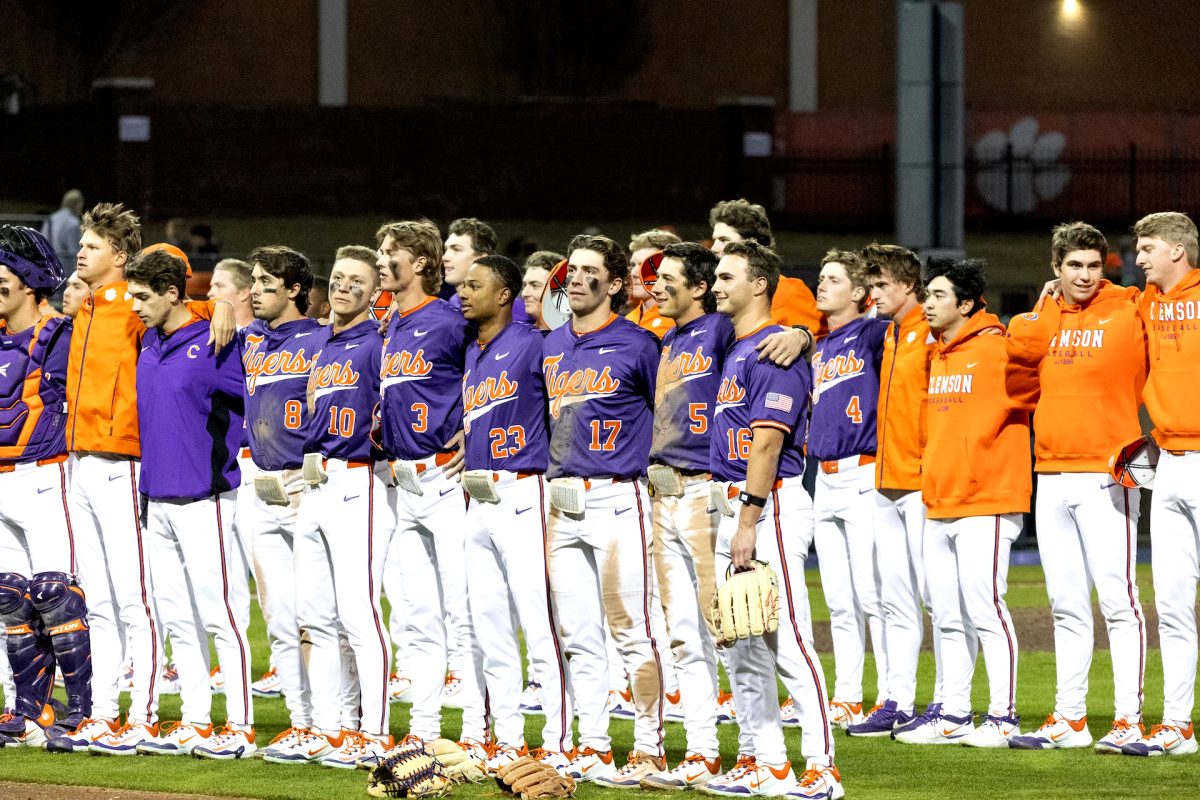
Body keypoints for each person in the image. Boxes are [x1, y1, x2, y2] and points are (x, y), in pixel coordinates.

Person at [49, 203, 234, 754]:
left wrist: (219, 303)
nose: (80, 252)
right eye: (81, 244)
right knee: (99, 600)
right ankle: (105, 713)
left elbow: (181, 290)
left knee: (136, 600)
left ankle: (143, 716)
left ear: (121, 257)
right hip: (80, 462)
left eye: (92, 246)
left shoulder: (134, 306)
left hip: (124, 464)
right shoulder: (85, 305)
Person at [1000, 223, 1149, 753]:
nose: (1085, 275)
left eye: (1093, 265)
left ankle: (1129, 719)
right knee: (1065, 602)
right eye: (1074, 266)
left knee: (1118, 600)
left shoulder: (1131, 307)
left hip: (1107, 471)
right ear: (1056, 268)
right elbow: (1017, 361)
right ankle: (1070, 717)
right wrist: (1044, 309)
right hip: (1051, 472)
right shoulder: (1042, 319)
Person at [703, 240, 842, 799]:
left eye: (727, 276)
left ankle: (820, 768)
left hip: (768, 504)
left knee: (787, 639)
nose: (716, 285)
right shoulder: (738, 348)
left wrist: (747, 520)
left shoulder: (774, 352)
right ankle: (767, 763)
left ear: (758, 284)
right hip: (737, 504)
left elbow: (766, 445)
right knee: (740, 641)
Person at [540, 234, 666, 786]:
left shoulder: (639, 344)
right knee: (577, 634)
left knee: (632, 630)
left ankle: (649, 747)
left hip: (619, 497)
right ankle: (592, 744)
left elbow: (666, 415)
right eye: (573, 268)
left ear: (615, 284)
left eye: (591, 270)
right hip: (561, 501)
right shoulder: (550, 344)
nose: (576, 276)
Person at [896, 257, 1033, 748]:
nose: (927, 303)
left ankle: (1004, 717)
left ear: (968, 303)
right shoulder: (939, 353)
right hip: (940, 499)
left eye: (937, 295)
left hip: (988, 499)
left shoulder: (999, 348)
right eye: (927, 295)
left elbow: (1043, 392)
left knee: (985, 608)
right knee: (948, 616)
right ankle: (954, 714)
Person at [122, 247, 252, 759]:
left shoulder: (218, 343)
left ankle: (239, 726)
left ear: (173, 293)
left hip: (207, 498)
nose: (134, 305)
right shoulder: (149, 342)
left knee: (219, 613)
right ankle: (197, 721)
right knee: (176, 615)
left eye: (142, 296)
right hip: (157, 497)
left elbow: (256, 399)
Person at [375, 220, 488, 748]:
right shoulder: (393, 322)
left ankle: (476, 730)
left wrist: (477, 427)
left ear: (419, 263)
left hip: (444, 477)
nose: (381, 259)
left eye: (390, 251)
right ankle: (423, 731)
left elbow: (497, 361)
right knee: (417, 615)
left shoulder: (448, 319)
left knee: (461, 611)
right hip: (403, 482)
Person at [457, 254, 572, 767]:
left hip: (524, 492)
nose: (462, 292)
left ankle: (557, 742)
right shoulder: (472, 351)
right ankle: (505, 738)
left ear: (503, 295)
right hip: (477, 499)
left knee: (537, 620)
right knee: (489, 623)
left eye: (473, 285)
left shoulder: (535, 344)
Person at [234, 246, 341, 764]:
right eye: (252, 280)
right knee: (277, 617)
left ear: (295, 289)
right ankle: (301, 723)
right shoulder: (249, 338)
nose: (255, 290)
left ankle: (339, 719)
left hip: (308, 481)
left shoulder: (323, 337)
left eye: (266, 282)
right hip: (259, 480)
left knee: (321, 613)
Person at [292, 245, 396, 768]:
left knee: (358, 612)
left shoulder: (378, 342)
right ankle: (333, 727)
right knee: (314, 614)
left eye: (357, 280)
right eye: (338, 277)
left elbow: (393, 411)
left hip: (359, 480)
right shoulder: (325, 341)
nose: (344, 286)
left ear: (375, 290)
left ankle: (373, 732)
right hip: (316, 483)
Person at [857, 243, 956, 739]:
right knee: (894, 600)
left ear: (908, 286)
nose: (873, 293)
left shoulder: (935, 330)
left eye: (881, 285)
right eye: (870, 285)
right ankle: (897, 699)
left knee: (938, 600)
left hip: (922, 482)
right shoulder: (891, 333)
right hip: (885, 480)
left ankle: (945, 702)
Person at [0, 225, 91, 747]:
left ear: (30, 282)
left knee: (57, 597)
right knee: (11, 598)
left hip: (46, 474)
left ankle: (81, 715)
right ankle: (30, 712)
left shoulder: (63, 333)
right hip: (3, 480)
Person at [1120, 211, 1200, 757]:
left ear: (1176, 249)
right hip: (1167, 463)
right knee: (1170, 601)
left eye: (1147, 248)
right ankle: (1177, 725)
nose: (1139, 256)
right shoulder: (1143, 302)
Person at [807, 250, 889, 730]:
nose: (822, 285)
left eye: (833, 279)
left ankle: (888, 695)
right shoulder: (819, 345)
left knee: (872, 595)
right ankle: (848, 696)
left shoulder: (875, 333)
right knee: (839, 599)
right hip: (826, 477)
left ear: (859, 292)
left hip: (864, 473)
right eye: (821, 276)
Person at [707, 198, 820, 331]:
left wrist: (803, 338)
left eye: (724, 240)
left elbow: (819, 344)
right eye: (714, 240)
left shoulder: (787, 291)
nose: (714, 248)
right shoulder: (712, 291)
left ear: (752, 243)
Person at [625, 229, 680, 337]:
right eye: (633, 265)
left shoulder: (679, 319)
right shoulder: (628, 319)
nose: (634, 273)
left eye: (643, 265)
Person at [521, 250, 562, 329]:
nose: (524, 294)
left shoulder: (575, 338)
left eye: (535, 285)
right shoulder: (517, 335)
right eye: (524, 285)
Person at [208, 259, 254, 329]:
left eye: (219, 285)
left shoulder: (267, 335)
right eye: (211, 286)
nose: (209, 293)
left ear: (243, 293)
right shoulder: (204, 332)